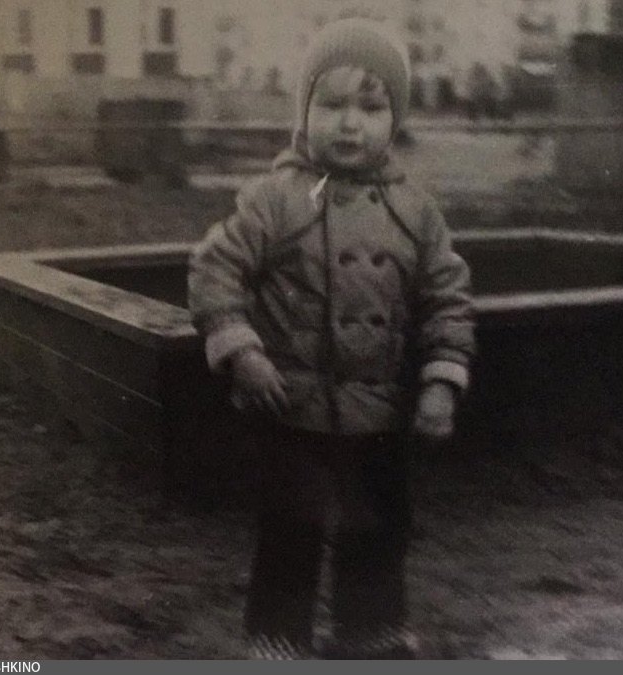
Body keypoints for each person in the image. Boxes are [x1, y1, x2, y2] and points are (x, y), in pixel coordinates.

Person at [188, 18, 476, 660]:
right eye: (332, 105)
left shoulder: (415, 211)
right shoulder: (276, 198)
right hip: (292, 408)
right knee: (290, 528)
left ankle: (370, 635)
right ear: (304, 112)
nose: (350, 125)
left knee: (379, 528)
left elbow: (447, 300)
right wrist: (241, 350)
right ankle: (277, 641)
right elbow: (215, 269)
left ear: (394, 120)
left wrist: (441, 381)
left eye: (370, 108)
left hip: (379, 412)